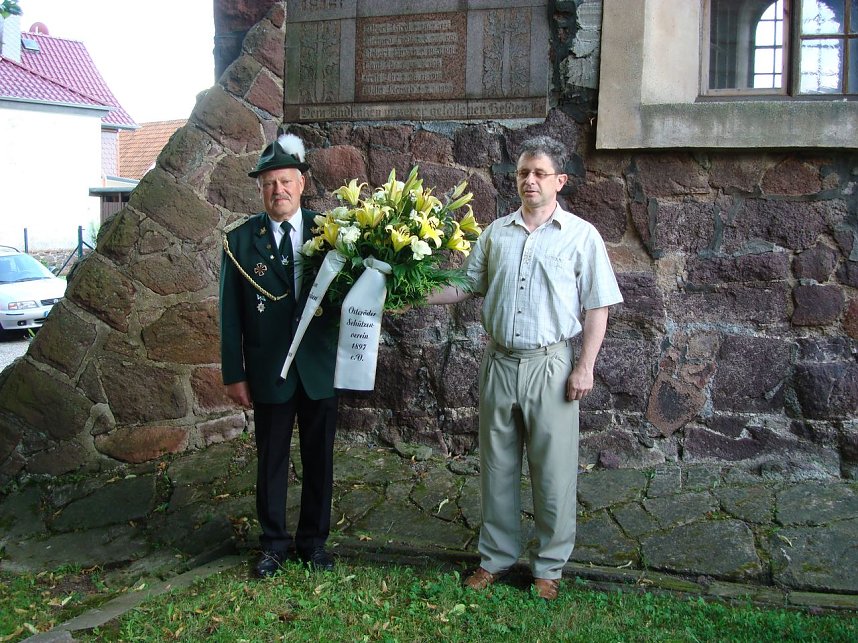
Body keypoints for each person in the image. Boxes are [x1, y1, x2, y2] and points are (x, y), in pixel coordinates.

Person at [427, 135, 623, 600]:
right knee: (496, 466)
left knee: (553, 471)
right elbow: (464, 286)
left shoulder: (581, 236)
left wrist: (584, 367)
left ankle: (548, 567)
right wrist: (406, 292)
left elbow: (598, 307)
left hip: (550, 366)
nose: (529, 181)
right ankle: (494, 558)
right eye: (522, 173)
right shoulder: (496, 233)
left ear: (560, 180)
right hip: (498, 363)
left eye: (539, 173)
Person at [219, 133, 339, 577]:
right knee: (271, 459)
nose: (279, 191)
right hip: (270, 370)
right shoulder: (240, 242)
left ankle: (313, 543)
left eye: (286, 182)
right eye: (270, 183)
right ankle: (272, 544)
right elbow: (229, 315)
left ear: (302, 183)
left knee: (319, 460)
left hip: (319, 368)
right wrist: (235, 373)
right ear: (260, 189)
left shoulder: (334, 234)